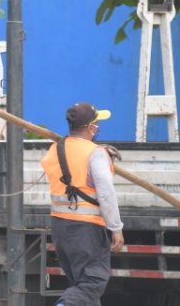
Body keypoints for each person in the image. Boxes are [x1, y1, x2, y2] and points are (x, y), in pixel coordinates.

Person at [39, 102, 125, 306]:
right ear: (90, 127)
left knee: (82, 286)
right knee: (93, 282)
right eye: (96, 123)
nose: (98, 128)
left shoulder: (55, 148)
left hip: (61, 227)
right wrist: (116, 228)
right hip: (86, 229)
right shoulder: (94, 152)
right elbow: (105, 192)